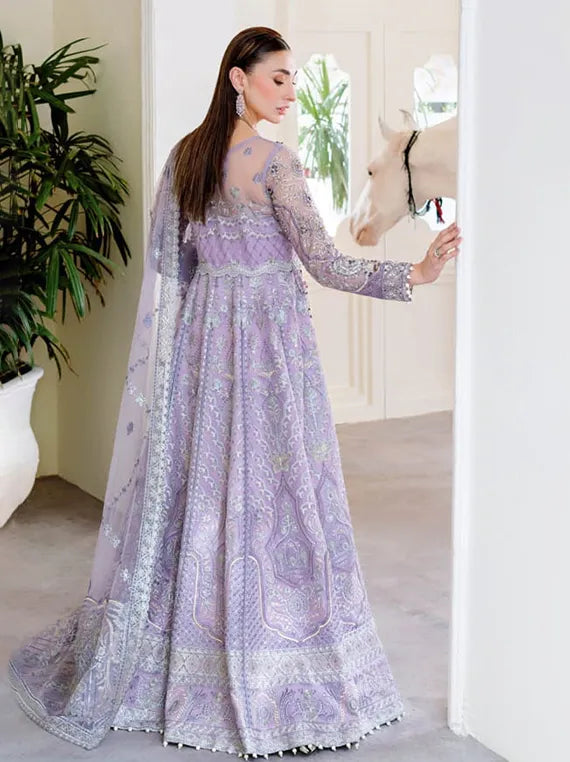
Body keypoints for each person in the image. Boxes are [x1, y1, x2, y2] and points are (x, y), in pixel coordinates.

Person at [8, 26, 461, 759]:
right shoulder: (276, 164)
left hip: (202, 349)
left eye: (292, 80)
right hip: (273, 355)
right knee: (282, 490)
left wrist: (201, 330)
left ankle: (189, 632)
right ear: (238, 78)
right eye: (278, 78)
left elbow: (170, 267)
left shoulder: (185, 157)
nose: (290, 93)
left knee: (206, 485)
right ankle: (268, 642)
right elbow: (324, 264)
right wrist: (414, 273)